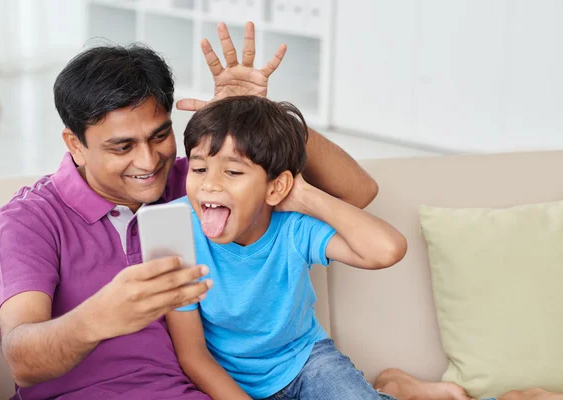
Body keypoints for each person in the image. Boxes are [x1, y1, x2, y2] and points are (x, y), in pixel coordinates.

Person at [0, 22, 378, 400]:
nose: (148, 161)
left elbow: (359, 193)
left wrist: (259, 115)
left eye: (160, 135)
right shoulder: (28, 221)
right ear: (75, 144)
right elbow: (22, 359)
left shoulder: (198, 184)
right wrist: (95, 318)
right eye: (122, 147)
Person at [165, 95, 407, 400]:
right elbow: (193, 356)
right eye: (199, 169)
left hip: (307, 361)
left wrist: (304, 195)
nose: (209, 185)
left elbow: (388, 249)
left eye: (233, 172)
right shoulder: (175, 229)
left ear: (276, 186)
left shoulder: (293, 226)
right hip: (228, 379)